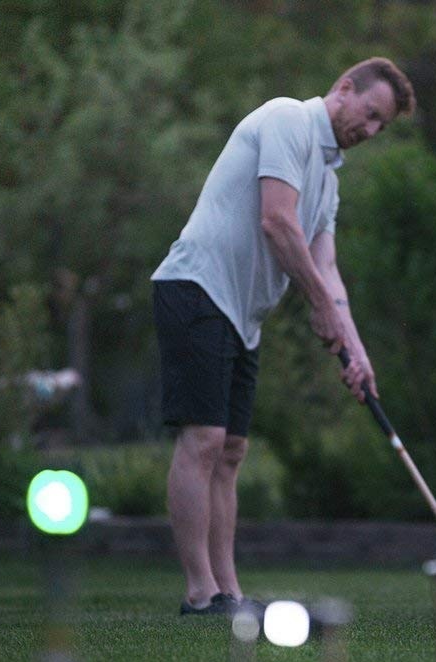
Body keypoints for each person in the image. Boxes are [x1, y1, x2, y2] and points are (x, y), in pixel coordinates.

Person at [151, 58, 416, 615]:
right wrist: (320, 305)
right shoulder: (287, 120)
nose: (369, 132)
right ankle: (200, 592)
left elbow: (328, 267)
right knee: (203, 440)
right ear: (344, 88)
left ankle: (229, 591)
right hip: (196, 287)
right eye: (369, 115)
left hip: (241, 314)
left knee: (230, 452)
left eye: (380, 127)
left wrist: (354, 348)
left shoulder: (330, 177)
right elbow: (277, 221)